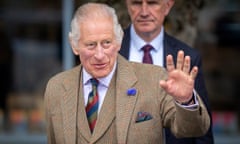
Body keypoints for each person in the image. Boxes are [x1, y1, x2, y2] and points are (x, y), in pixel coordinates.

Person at [44, 3, 210, 144]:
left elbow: (193, 129)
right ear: (74, 45)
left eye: (107, 43)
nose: (100, 54)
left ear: (118, 41)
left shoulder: (155, 79)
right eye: (91, 45)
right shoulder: (56, 88)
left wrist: (186, 101)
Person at [119, 0, 214, 143]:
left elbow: (201, 129)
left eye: (152, 3)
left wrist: (185, 100)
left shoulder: (188, 57)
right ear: (127, 5)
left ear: (167, 6)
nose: (144, 12)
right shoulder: (109, 52)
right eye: (136, 3)